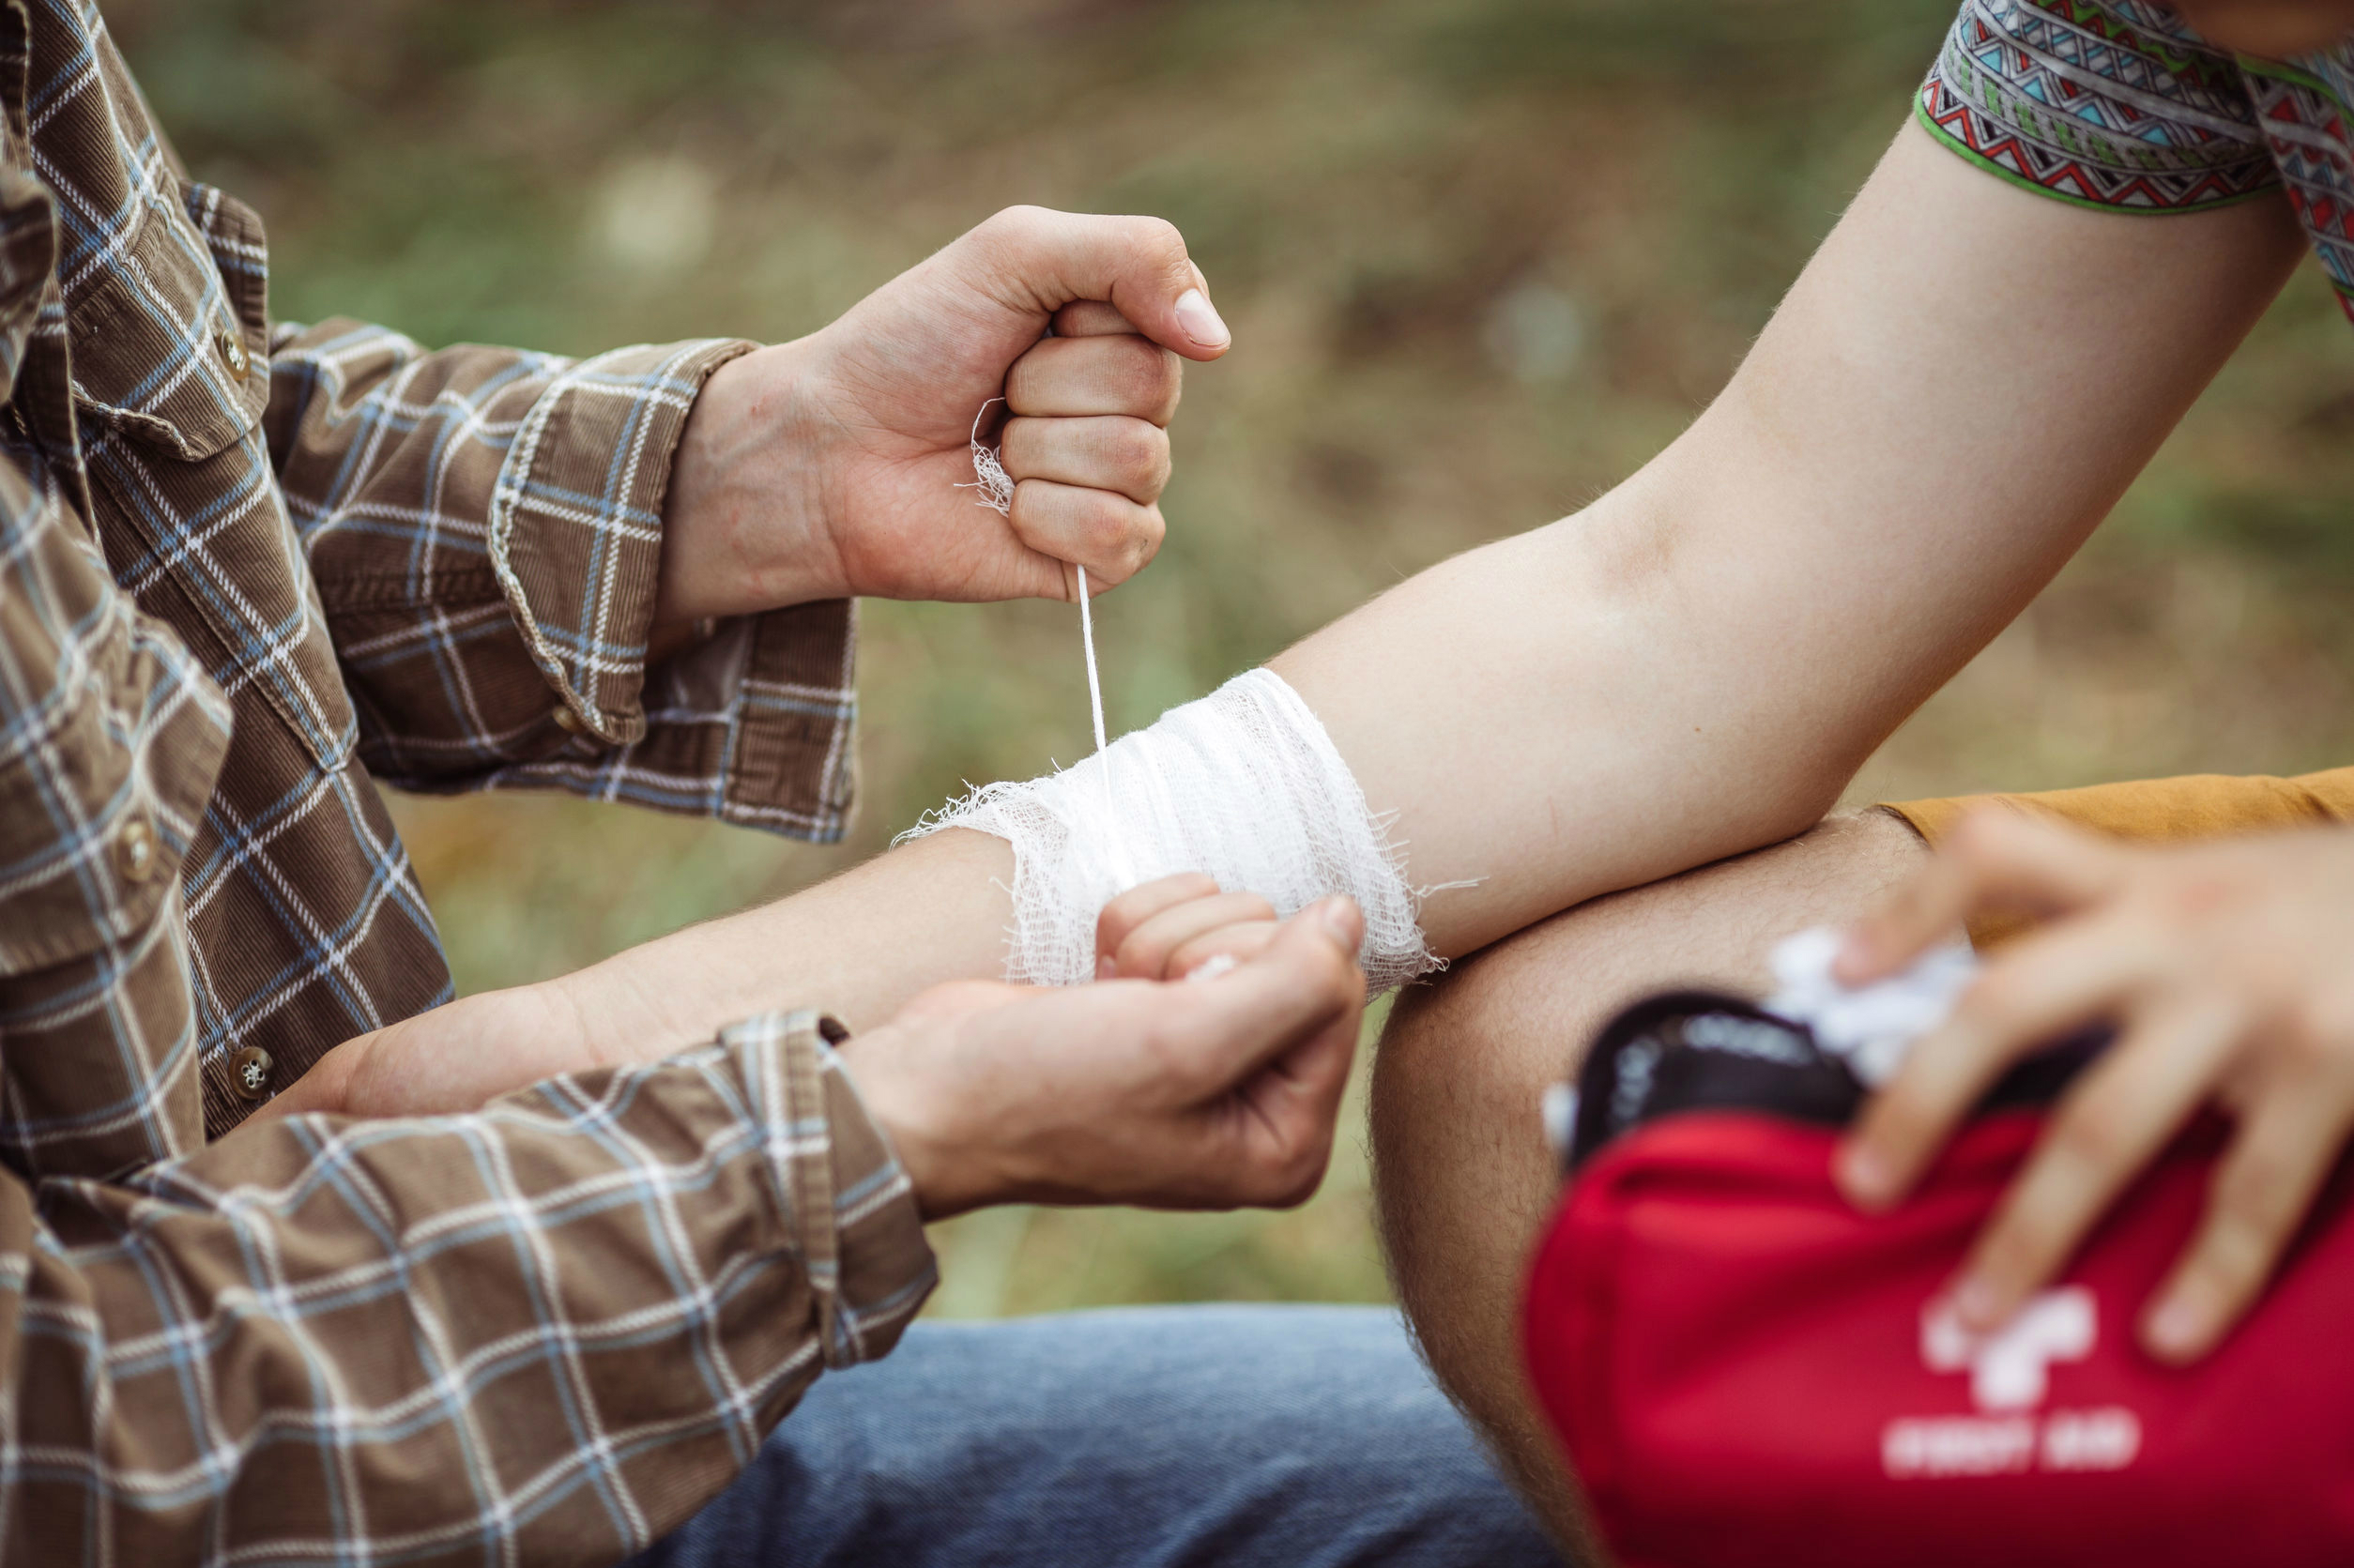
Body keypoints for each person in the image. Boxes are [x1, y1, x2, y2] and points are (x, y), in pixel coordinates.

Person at [0, 2, 1566, 1562]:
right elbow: (52, 1450)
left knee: (1521, 1479)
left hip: (478, 1342)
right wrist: (859, 1142)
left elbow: (120, 481)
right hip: (302, 1427)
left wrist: (761, 468)